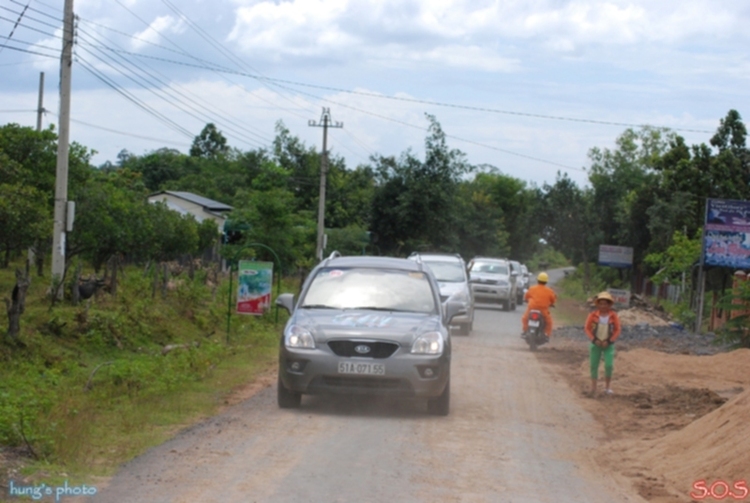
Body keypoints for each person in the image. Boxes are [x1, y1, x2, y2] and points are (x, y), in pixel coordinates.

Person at [584, 291, 622, 396]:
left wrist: (609, 341)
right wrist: (593, 339)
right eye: (601, 304)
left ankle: (607, 387)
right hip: (595, 344)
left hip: (608, 345)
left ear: (609, 305)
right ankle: (593, 388)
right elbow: (587, 329)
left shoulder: (613, 316)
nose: (603, 306)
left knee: (609, 365)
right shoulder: (592, 315)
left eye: (605, 304)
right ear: (598, 304)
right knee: (593, 365)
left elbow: (617, 330)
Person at [521, 272, 557, 338]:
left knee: (525, 318)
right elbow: (553, 300)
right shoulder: (549, 291)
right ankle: (546, 334)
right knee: (549, 322)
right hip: (543, 310)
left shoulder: (532, 288)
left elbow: (526, 296)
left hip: (532, 308)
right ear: (546, 282)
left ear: (537, 280)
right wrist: (552, 304)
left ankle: (525, 331)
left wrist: (526, 300)